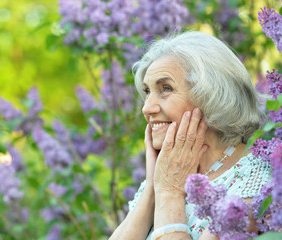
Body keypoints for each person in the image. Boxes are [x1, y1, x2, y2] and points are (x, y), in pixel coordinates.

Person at [109, 31, 272, 240]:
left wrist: (169, 193)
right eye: (147, 91)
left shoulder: (255, 183)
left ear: (212, 95)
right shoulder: (166, 176)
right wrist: (152, 185)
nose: (146, 108)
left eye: (165, 88)